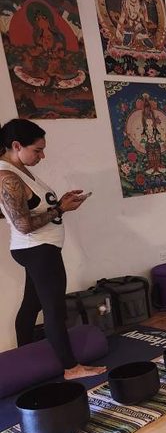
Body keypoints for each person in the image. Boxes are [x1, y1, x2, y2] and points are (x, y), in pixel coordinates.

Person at [0, 119, 105, 380]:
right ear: (16, 146)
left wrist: (61, 203)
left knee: (31, 305)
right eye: (37, 150)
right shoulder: (7, 177)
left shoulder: (19, 171)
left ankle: (23, 360)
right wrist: (60, 210)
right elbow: (23, 225)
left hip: (40, 249)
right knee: (54, 309)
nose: (42, 155)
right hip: (37, 249)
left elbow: (30, 210)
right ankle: (71, 368)